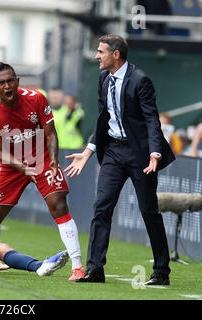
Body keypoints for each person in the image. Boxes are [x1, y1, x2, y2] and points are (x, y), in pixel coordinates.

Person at [0, 62, 84, 280]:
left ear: (17, 81)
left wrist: (53, 161)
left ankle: (78, 266)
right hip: (12, 165)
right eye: (1, 83)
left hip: (43, 159)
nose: (7, 86)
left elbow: (51, 133)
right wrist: (23, 166)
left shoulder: (36, 98)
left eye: (10, 80)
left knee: (59, 204)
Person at [64, 35, 175, 285]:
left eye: (101, 52)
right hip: (113, 152)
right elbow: (105, 119)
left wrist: (155, 153)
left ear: (116, 55)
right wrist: (89, 150)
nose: (96, 56)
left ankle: (161, 272)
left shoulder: (140, 80)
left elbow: (151, 120)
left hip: (140, 155)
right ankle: (95, 269)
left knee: (149, 211)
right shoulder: (103, 78)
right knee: (101, 207)